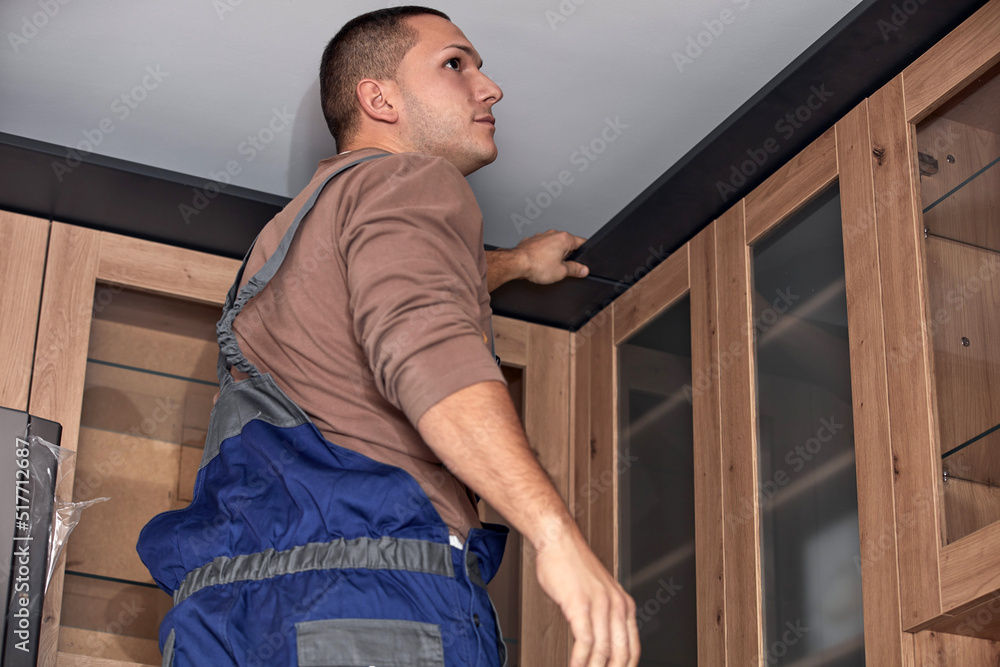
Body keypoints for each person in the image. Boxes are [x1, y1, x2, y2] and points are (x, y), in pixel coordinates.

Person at [138, 6, 638, 666]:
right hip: (370, 599)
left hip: (221, 615)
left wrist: (514, 264)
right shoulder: (411, 180)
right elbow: (427, 348)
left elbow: (395, 287)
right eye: (456, 64)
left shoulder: (290, 235)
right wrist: (556, 534)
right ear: (379, 98)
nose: (491, 88)